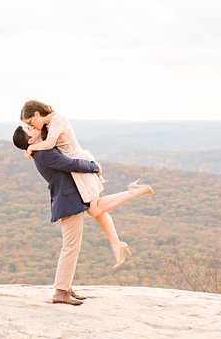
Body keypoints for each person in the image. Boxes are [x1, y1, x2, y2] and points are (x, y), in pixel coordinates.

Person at [12, 126, 154, 305]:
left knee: (87, 224)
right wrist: (94, 167)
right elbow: (71, 164)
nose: (34, 128)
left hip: (70, 197)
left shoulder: (40, 151)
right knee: (70, 247)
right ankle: (61, 291)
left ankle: (66, 288)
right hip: (68, 201)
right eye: (29, 129)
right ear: (30, 140)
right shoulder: (44, 154)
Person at [20, 100, 154, 269]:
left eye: (30, 122)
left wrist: (31, 148)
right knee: (97, 209)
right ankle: (117, 244)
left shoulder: (57, 119)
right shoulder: (48, 124)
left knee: (95, 209)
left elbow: (50, 144)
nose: (32, 126)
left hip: (80, 165)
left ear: (37, 114)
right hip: (76, 168)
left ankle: (134, 193)